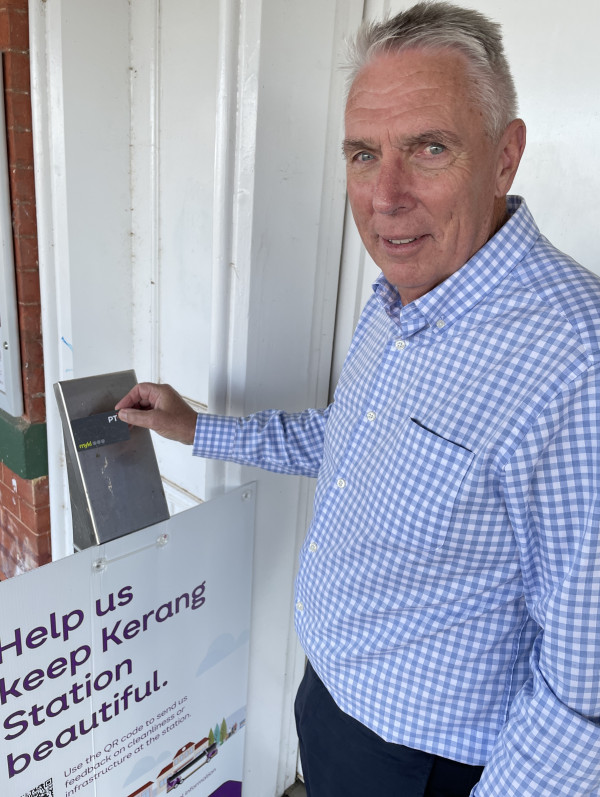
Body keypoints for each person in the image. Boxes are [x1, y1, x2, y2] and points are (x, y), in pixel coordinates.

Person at [116, 3, 600, 795]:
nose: (386, 196)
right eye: (364, 154)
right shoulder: (402, 296)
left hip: (425, 765)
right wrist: (196, 427)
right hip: (333, 701)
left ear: (505, 156)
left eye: (430, 148)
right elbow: (349, 438)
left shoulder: (575, 358)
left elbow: (584, 694)